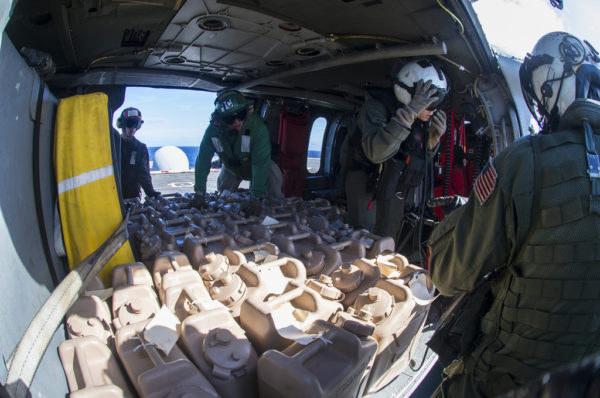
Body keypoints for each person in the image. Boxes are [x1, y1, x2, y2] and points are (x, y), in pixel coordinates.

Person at [427, 31, 600, 397]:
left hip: (503, 380)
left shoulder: (528, 160)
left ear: (549, 89)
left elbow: (446, 273)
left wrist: (467, 215)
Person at [340, 59, 448, 242]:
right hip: (366, 175)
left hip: (393, 180)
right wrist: (409, 114)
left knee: (388, 234)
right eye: (427, 103)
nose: (432, 110)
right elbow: (376, 153)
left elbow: (416, 158)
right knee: (364, 235)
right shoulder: (376, 107)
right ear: (409, 96)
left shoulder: (419, 118)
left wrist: (432, 143)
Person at [193, 90, 283, 209]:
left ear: (246, 112)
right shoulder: (212, 132)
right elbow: (202, 162)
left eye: (240, 115)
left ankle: (276, 212)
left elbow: (260, 164)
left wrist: (255, 197)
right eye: (230, 119)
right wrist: (199, 193)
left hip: (257, 166)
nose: (237, 122)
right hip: (232, 168)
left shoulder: (257, 127)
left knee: (274, 191)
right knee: (223, 197)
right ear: (220, 119)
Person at [117, 107, 160, 200]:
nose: (133, 129)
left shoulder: (140, 148)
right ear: (122, 125)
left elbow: (144, 174)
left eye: (135, 125)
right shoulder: (112, 146)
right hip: (113, 197)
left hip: (132, 197)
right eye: (129, 125)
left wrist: (151, 192)